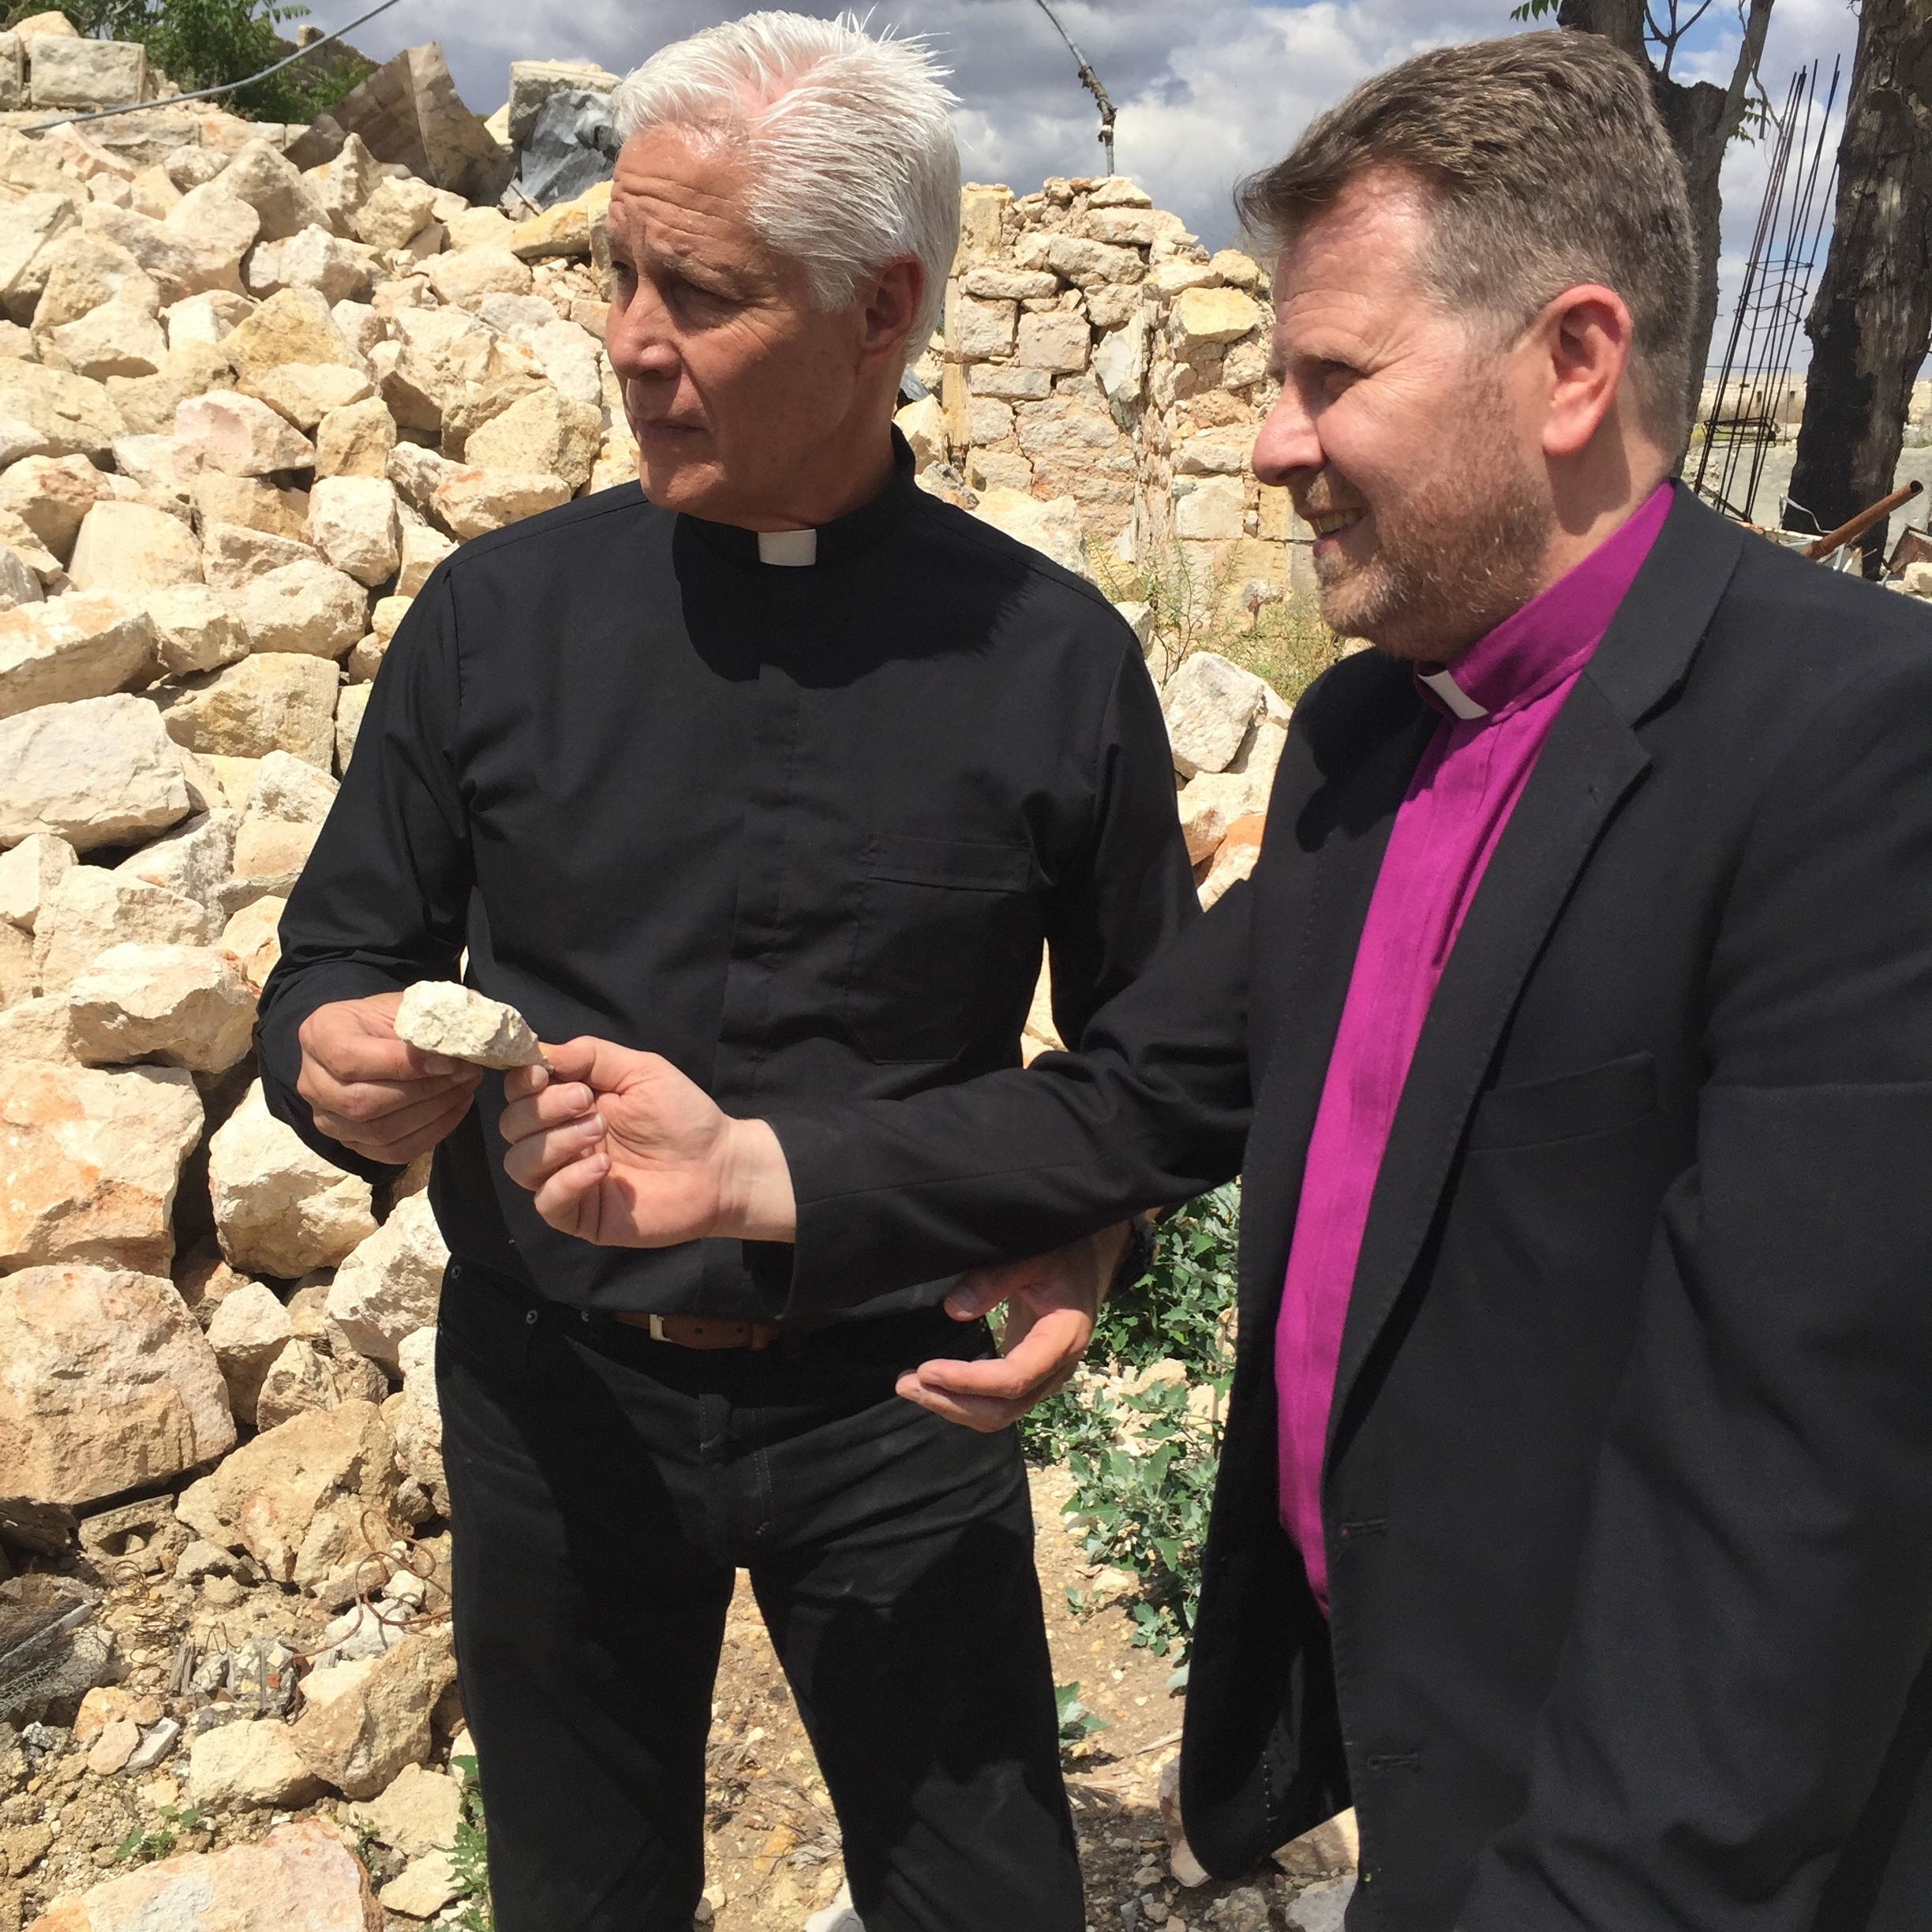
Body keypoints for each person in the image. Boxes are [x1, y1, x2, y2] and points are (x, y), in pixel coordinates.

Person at [496, 31, 1932, 1932]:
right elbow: (1143, 1095)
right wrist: (754, 1170)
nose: (1271, 442)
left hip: (1650, 1834)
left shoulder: (1849, 751)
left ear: (1574, 365)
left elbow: (1801, 1501)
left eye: (1332, 378)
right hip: (1427, 1757)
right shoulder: (1360, 741)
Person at [255, 16, 1195, 1931]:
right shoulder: (493, 622)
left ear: (882, 310)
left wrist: (1088, 1243)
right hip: (554, 1399)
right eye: (618, 269)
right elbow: (339, 956)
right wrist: (330, 1054)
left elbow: (1150, 1069)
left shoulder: (1053, 660)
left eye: (701, 290)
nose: (627, 335)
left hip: (901, 1402)